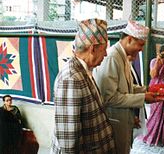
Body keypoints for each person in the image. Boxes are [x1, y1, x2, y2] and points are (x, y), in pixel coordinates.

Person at [51, 18, 115, 154]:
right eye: (104, 49)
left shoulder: (83, 71)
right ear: (92, 49)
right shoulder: (71, 79)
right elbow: (69, 143)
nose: (105, 54)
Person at [93, 20, 158, 154]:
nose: (141, 50)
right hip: (113, 123)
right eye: (140, 45)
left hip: (122, 120)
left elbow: (125, 88)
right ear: (129, 39)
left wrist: (147, 90)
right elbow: (109, 98)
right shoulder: (112, 57)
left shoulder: (122, 56)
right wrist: (143, 98)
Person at [143, 44, 164, 146]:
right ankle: (152, 137)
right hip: (156, 89)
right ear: (159, 53)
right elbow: (153, 75)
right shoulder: (154, 61)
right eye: (163, 54)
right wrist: (158, 62)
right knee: (156, 114)